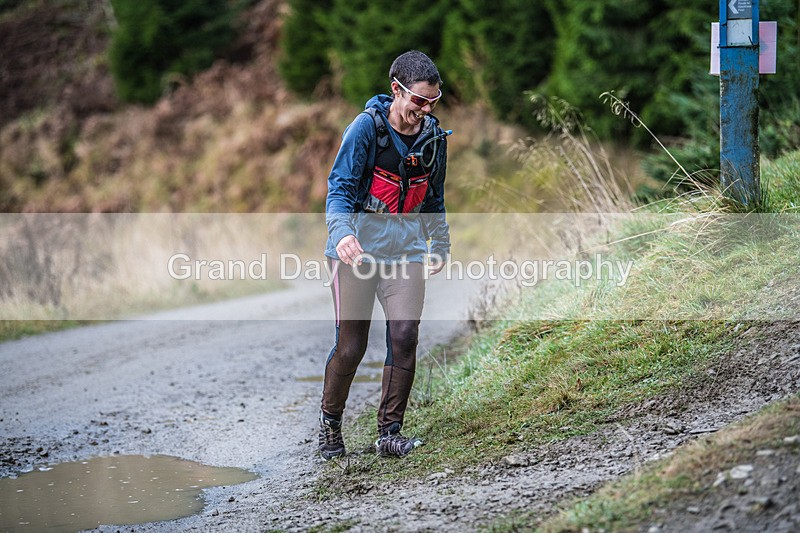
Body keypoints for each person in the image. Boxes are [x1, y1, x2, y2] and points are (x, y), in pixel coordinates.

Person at [318, 50, 451, 459]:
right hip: (356, 251)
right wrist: (341, 234)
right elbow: (339, 190)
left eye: (434, 101)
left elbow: (433, 199)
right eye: (418, 101)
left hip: (405, 251)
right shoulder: (365, 129)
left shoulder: (433, 139)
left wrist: (440, 243)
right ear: (397, 90)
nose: (425, 110)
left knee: (405, 335)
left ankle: (389, 431)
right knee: (351, 346)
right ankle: (330, 422)